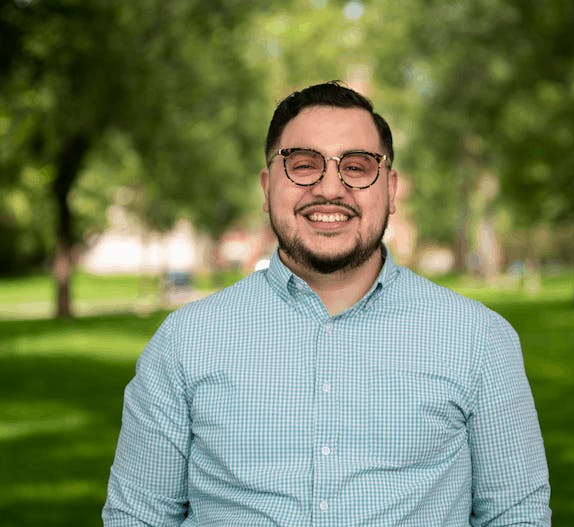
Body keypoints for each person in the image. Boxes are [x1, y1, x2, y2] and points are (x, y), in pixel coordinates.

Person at [103, 81, 551, 526]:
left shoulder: (480, 340)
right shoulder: (184, 341)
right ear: (267, 187)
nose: (330, 189)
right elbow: (137, 517)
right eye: (303, 165)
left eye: (356, 167)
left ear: (391, 190)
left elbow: (517, 517)